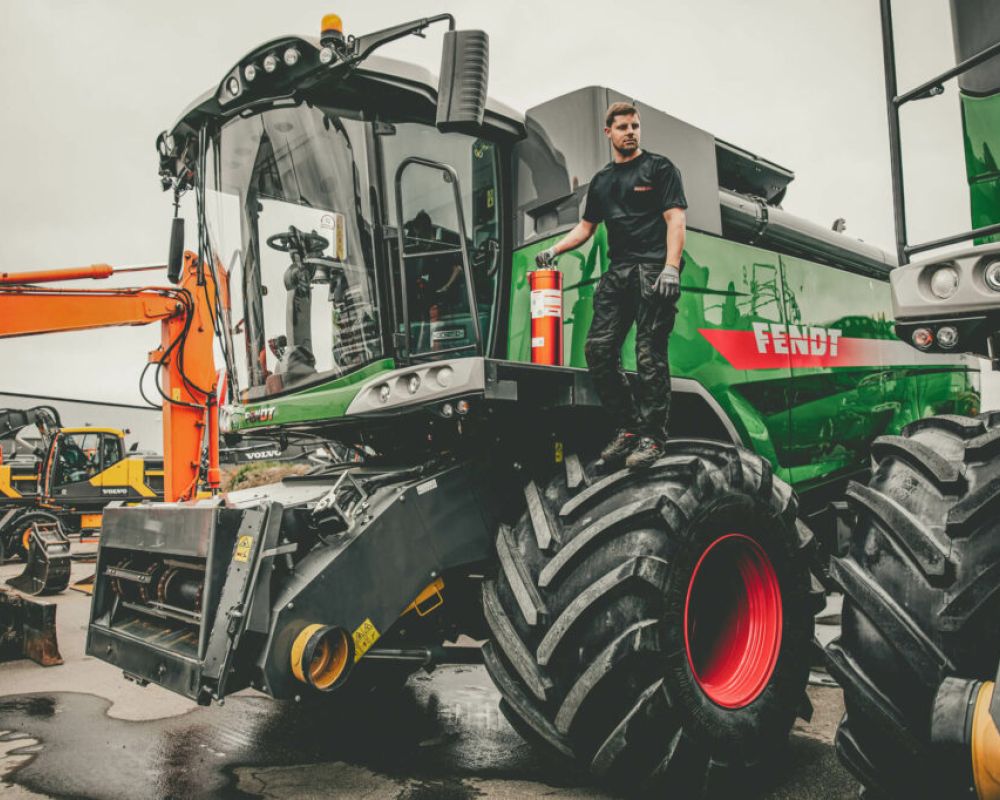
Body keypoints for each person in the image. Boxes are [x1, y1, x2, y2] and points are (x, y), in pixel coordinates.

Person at [536, 102, 687, 468]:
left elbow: (675, 220)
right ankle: (630, 428)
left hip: (653, 271)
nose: (631, 132)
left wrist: (670, 267)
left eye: (635, 126)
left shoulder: (660, 168)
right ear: (609, 133)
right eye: (623, 127)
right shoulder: (602, 182)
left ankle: (653, 438)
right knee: (598, 351)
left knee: (649, 355)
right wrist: (554, 249)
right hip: (618, 273)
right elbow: (586, 228)